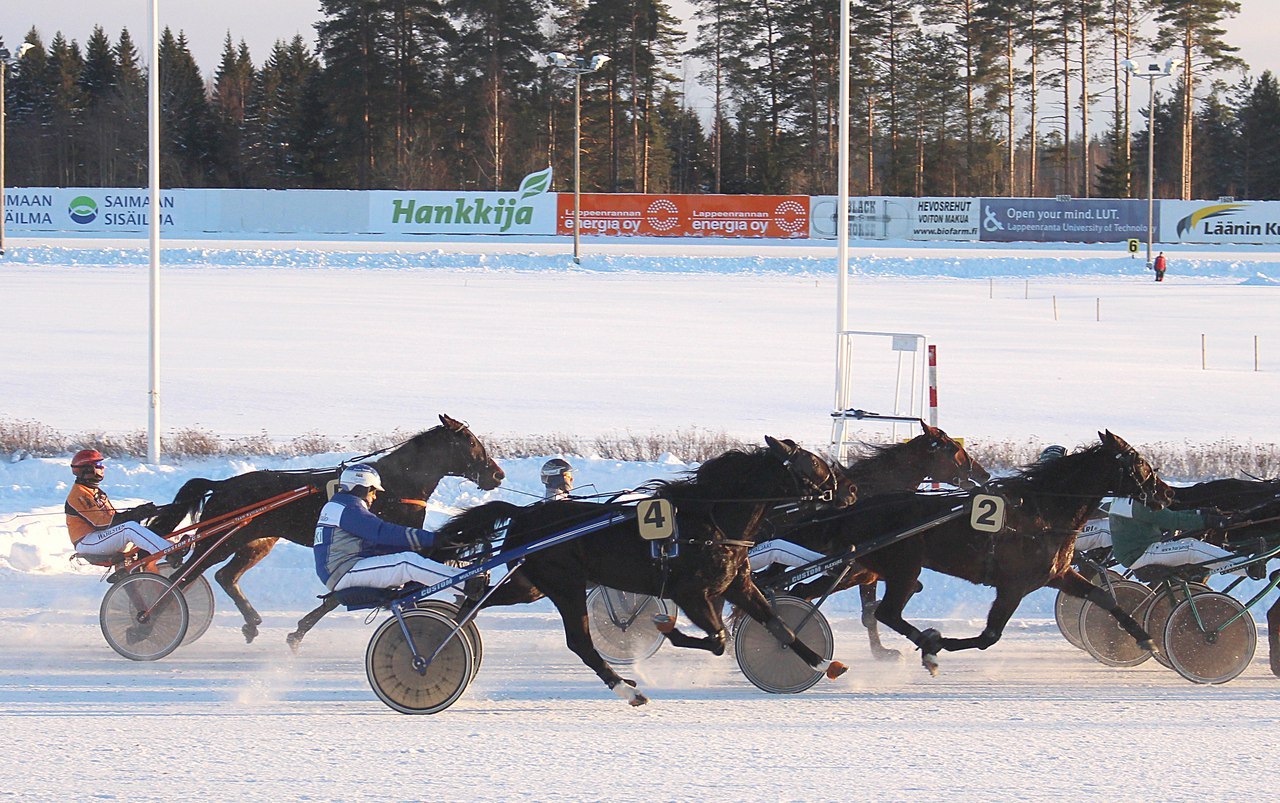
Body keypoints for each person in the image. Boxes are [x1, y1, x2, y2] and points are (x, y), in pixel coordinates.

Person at [314, 463, 471, 595]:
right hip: (343, 571)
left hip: (345, 569)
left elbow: (377, 543)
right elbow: (381, 532)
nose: (374, 497)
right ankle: (467, 585)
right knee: (406, 563)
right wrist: (432, 539)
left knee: (410, 558)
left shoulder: (341, 506)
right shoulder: (346, 508)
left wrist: (421, 546)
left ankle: (463, 576)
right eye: (373, 491)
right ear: (362, 487)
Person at [64, 449, 170, 559]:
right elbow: (103, 524)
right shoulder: (80, 495)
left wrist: (139, 512)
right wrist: (134, 515)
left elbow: (114, 517)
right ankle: (169, 551)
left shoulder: (94, 491)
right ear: (88, 469)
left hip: (100, 537)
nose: (103, 468)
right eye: (99, 464)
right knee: (129, 529)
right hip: (87, 542)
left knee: (143, 531)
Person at [1108, 497, 1244, 576]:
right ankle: (1246, 567)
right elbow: (1173, 521)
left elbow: (1168, 517)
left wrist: (1198, 512)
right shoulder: (1137, 504)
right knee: (1192, 548)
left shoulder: (1122, 501)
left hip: (1138, 554)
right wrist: (1209, 521)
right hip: (1142, 554)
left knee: (1187, 542)